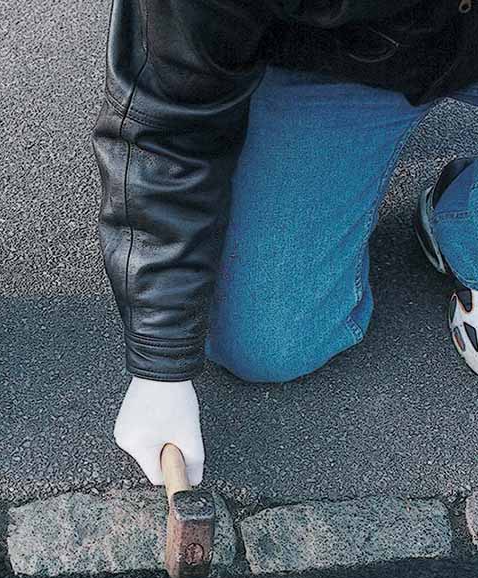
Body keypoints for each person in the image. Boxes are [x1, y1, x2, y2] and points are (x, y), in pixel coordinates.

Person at [92, 0, 478, 486]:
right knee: (266, 340)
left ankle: (468, 218)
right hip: (349, 58)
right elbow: (164, 124)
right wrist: (160, 364)